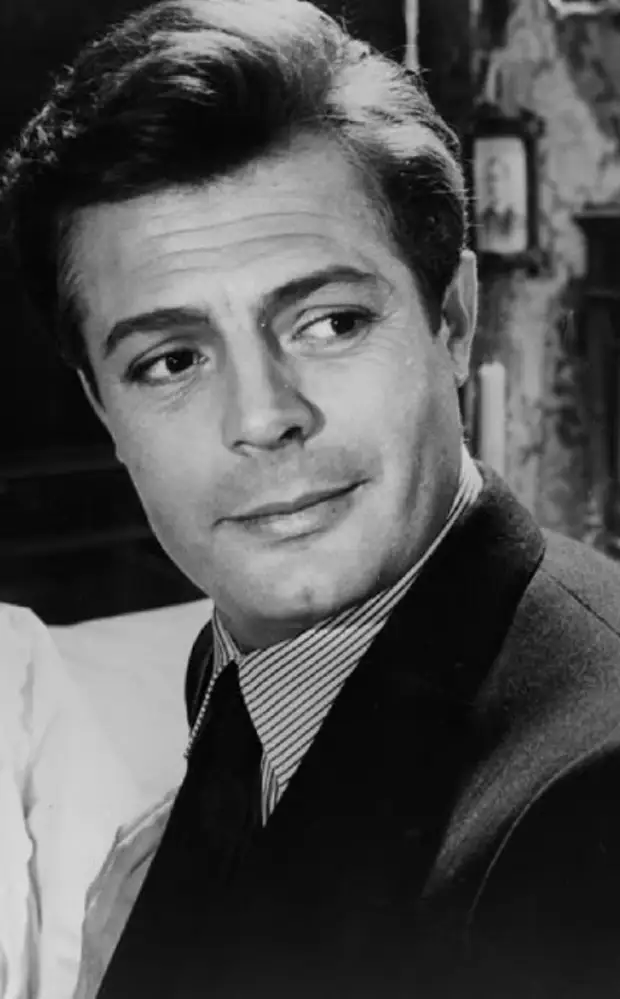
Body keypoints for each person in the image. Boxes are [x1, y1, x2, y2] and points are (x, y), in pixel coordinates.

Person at [3, 0, 620, 995]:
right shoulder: (245, 659)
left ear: (453, 321)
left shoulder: (592, 796)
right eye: (171, 360)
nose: (262, 417)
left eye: (329, 322)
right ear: (102, 407)